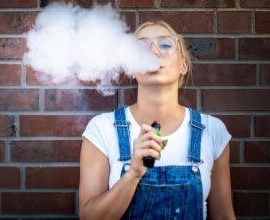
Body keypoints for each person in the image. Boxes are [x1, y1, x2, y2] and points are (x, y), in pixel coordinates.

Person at [79, 20, 236, 220]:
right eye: (142, 48)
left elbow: (223, 216)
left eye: (165, 44)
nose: (153, 51)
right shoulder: (102, 129)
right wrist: (133, 173)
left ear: (183, 65)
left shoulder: (212, 131)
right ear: (132, 70)